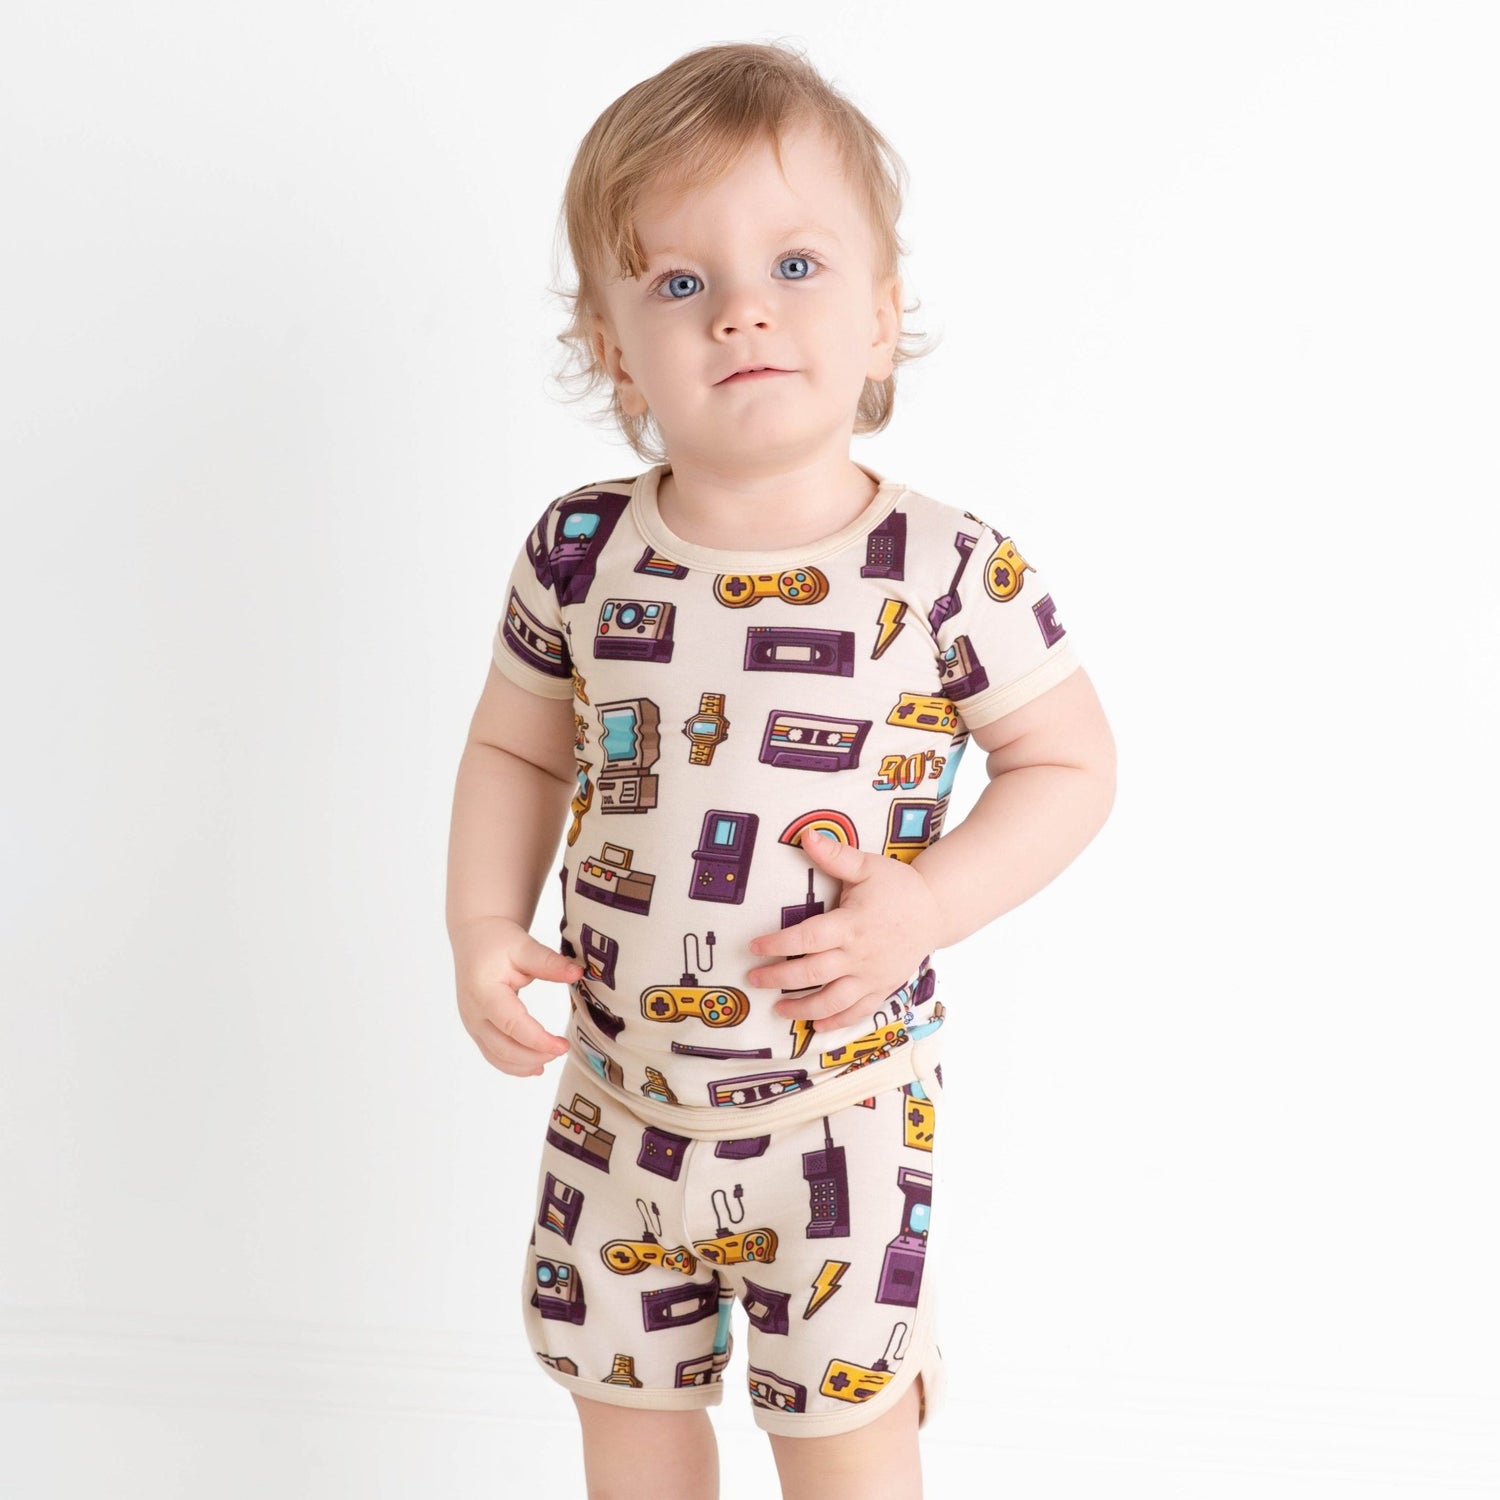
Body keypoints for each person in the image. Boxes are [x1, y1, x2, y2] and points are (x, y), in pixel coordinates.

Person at [446, 39, 1117, 1500]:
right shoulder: (580, 552)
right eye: (680, 282)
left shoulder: (947, 571)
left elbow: (1069, 764)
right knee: (626, 1428)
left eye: (798, 265)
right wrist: (484, 928)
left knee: (846, 1438)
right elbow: (512, 743)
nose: (742, 306)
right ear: (616, 350)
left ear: (883, 317)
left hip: (843, 1111)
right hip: (617, 1101)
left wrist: (925, 907)